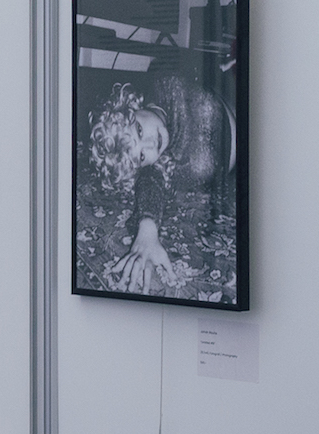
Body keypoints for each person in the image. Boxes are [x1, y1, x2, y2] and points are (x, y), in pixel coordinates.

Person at [88, 76, 235, 296]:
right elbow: (150, 183)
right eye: (141, 156)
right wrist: (147, 229)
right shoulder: (158, 166)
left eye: (139, 130)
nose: (150, 145)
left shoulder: (164, 86)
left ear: (132, 106)